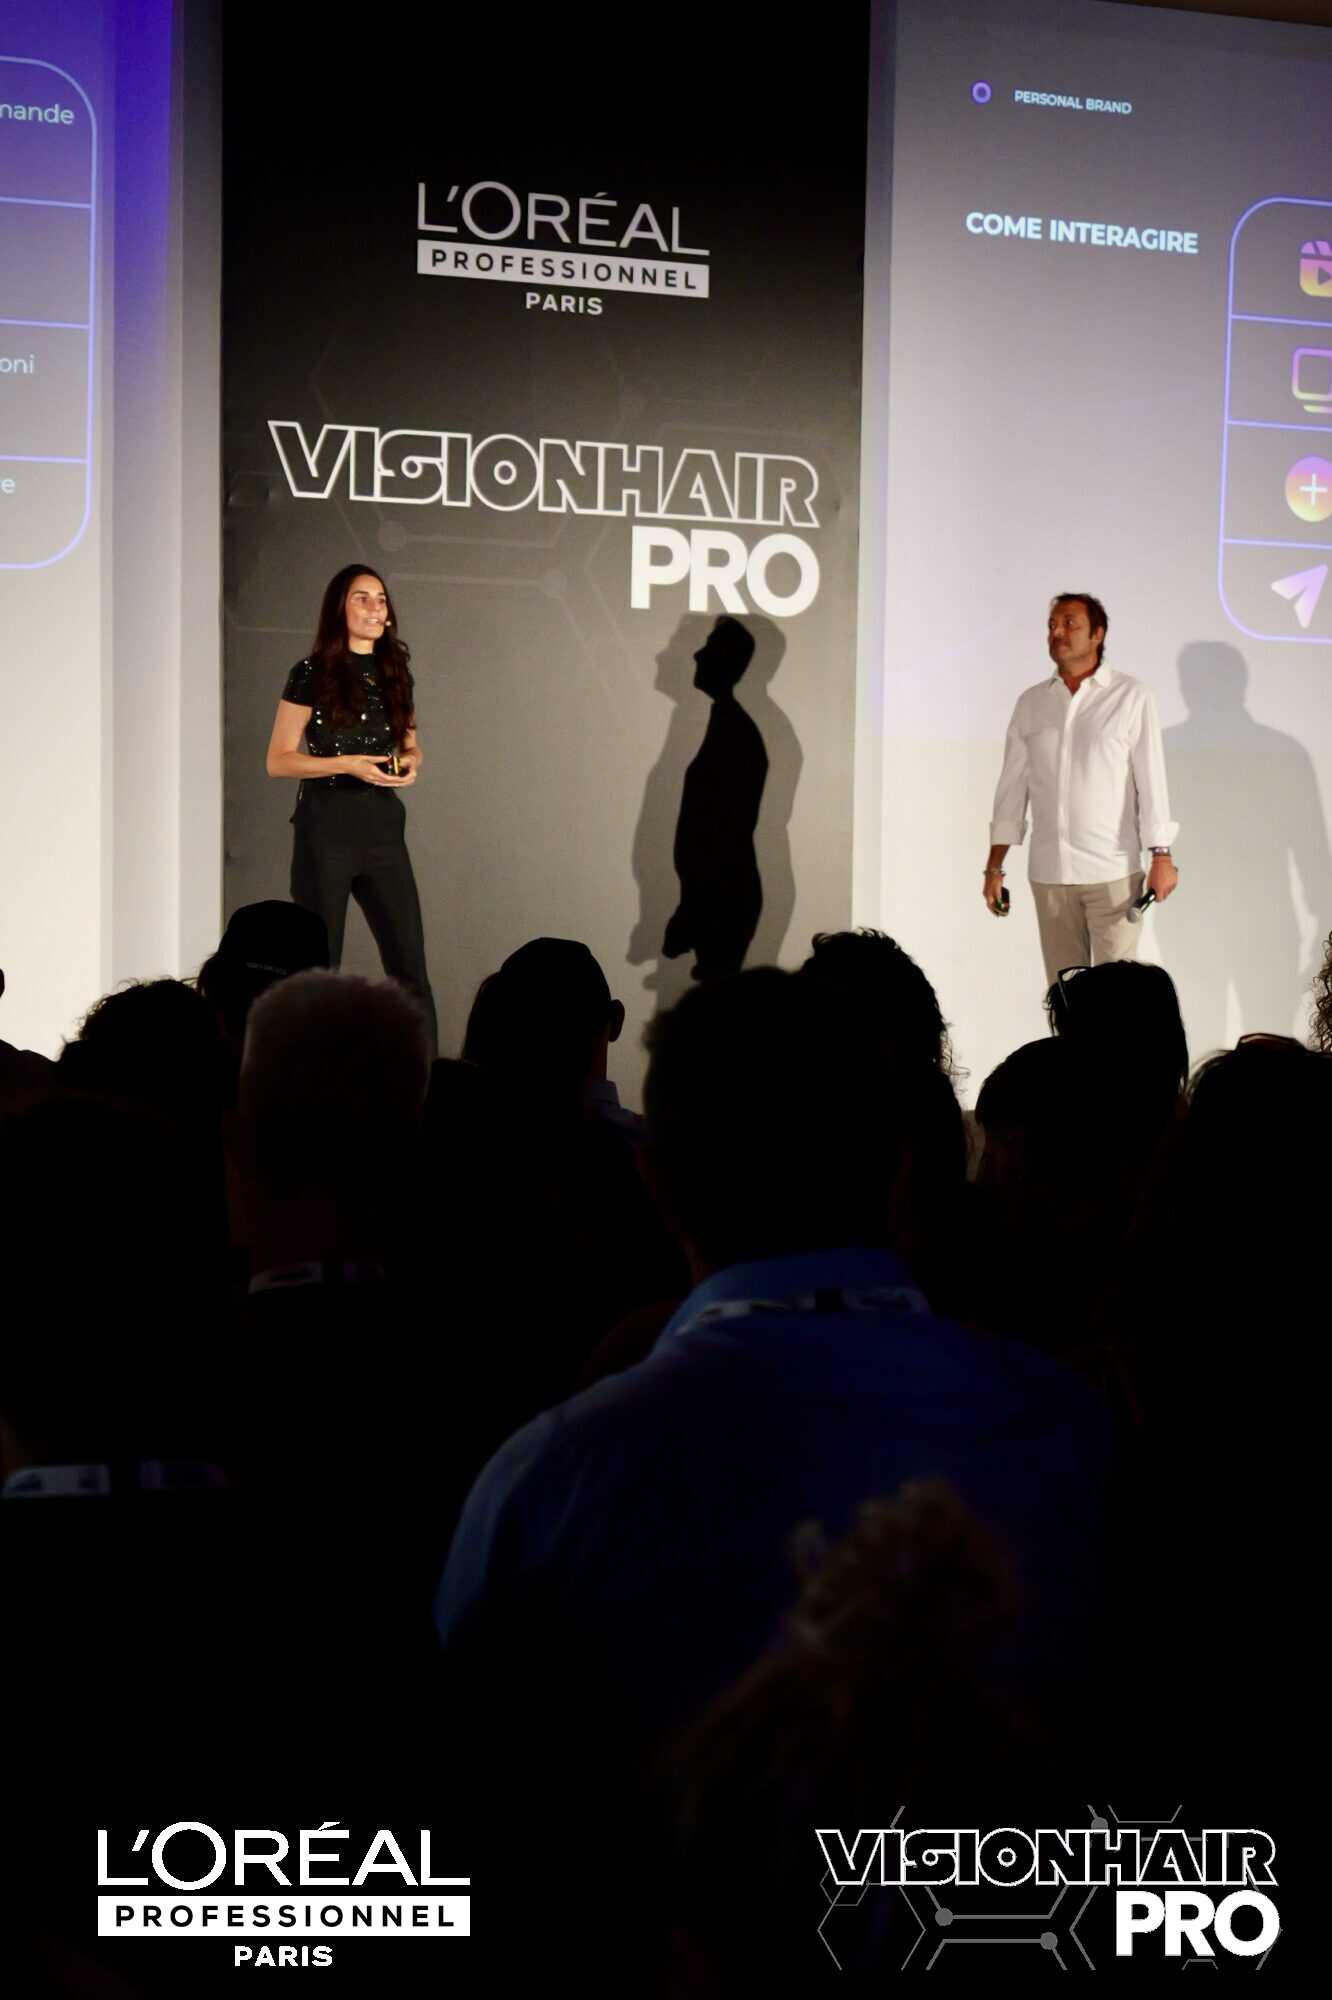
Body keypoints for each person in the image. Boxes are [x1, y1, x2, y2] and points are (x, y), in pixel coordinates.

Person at [266, 564, 437, 1053]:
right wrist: (347, 764)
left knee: (410, 970)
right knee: (319, 973)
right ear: (339, 608)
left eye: (381, 599)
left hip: (383, 829)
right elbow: (278, 760)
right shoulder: (311, 673)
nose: (374, 608)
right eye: (362, 598)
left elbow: (411, 744)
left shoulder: (395, 672)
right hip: (327, 829)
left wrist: (410, 762)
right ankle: (308, 1078)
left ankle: (425, 1080)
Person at [984, 593, 1179, 986]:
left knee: (1115, 995)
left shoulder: (1130, 695)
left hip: (1112, 872)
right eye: (1052, 625)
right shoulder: (1031, 703)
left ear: (1097, 634)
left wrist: (1161, 855)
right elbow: (1012, 788)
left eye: (1070, 623)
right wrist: (994, 867)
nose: (1058, 632)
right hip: (1050, 873)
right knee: (1065, 994)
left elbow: (1151, 780)